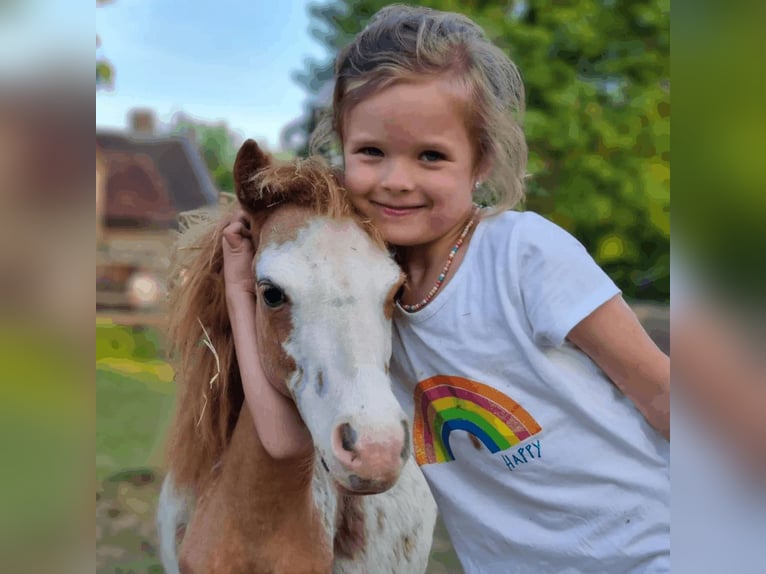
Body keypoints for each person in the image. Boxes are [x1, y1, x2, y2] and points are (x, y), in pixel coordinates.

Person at [223, 5, 670, 573]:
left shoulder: (525, 255)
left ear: (480, 160)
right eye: (371, 152)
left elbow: (660, 392)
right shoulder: (367, 299)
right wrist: (242, 288)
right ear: (341, 148)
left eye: (431, 156)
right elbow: (285, 443)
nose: (397, 180)